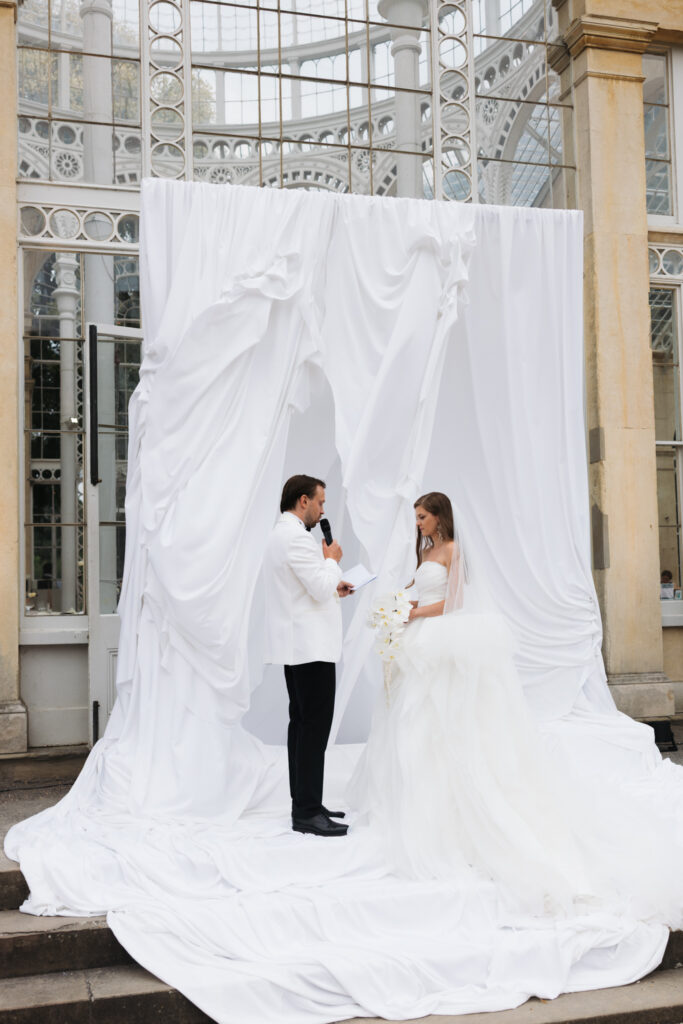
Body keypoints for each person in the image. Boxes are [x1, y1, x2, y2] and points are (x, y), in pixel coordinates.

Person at [348, 491, 596, 911]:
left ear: (440, 516)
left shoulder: (454, 549)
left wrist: (413, 615)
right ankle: (412, 804)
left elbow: (456, 601)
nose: (418, 524)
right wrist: (395, 605)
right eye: (417, 518)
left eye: (423, 517)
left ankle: (453, 814)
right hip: (416, 636)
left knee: (441, 717)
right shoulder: (426, 550)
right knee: (409, 719)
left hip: (438, 638)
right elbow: (419, 589)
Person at [263, 474, 353, 838]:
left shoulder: (281, 535)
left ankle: (305, 803)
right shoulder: (297, 538)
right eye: (320, 502)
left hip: (297, 647)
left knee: (301, 727)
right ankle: (307, 812)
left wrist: (335, 583)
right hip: (310, 648)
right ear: (303, 501)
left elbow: (307, 587)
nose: (322, 509)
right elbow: (318, 585)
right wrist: (332, 561)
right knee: (313, 730)